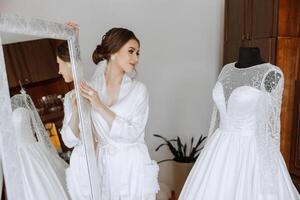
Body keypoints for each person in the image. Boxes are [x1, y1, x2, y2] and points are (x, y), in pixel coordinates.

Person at [79, 27, 160, 199]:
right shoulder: (90, 88)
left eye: (138, 53)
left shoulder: (139, 90)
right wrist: (70, 37)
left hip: (132, 166)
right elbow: (85, 134)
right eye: (131, 52)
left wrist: (100, 106)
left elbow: (132, 133)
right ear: (113, 52)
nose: (136, 58)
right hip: (104, 166)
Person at [56, 38, 92, 199]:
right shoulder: (70, 97)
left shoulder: (95, 90)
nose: (58, 71)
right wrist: (76, 112)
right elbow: (68, 140)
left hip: (100, 160)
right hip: (81, 166)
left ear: (69, 63)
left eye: (59, 64)